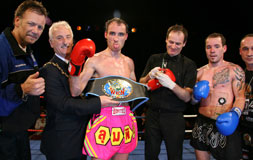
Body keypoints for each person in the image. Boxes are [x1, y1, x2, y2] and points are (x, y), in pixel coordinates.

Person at [39, 21, 118, 160]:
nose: (65, 42)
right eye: (59, 38)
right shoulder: (49, 70)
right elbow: (63, 104)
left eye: (68, 37)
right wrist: (98, 103)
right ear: (51, 43)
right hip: (61, 142)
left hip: (81, 138)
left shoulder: (80, 65)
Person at [69, 17, 138, 160]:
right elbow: (75, 91)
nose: (116, 39)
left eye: (120, 34)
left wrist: (149, 78)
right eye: (112, 33)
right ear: (106, 34)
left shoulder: (129, 63)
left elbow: (135, 91)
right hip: (104, 117)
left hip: (125, 117)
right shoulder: (94, 60)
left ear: (126, 36)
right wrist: (75, 66)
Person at [139, 24, 197, 160]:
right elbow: (140, 83)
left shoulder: (189, 64)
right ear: (166, 40)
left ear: (184, 44)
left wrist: (171, 85)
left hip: (174, 117)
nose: (173, 46)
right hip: (152, 115)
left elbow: (187, 96)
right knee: (150, 155)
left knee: (174, 156)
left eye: (178, 43)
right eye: (171, 42)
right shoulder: (154, 59)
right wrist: (148, 76)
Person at [0, 1, 47, 159]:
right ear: (17, 20)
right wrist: (22, 89)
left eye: (40, 27)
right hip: (4, 137)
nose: (35, 31)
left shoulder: (26, 48)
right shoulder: (2, 49)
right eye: (31, 24)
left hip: (19, 132)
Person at [190, 33, 245, 160]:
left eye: (216, 46)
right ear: (205, 49)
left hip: (226, 121)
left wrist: (235, 114)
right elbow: (192, 102)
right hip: (202, 122)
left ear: (224, 48)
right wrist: (196, 97)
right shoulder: (199, 73)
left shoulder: (234, 70)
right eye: (209, 47)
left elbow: (241, 97)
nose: (212, 50)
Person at [239, 34, 253, 160]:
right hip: (244, 131)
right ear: (240, 51)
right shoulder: (239, 76)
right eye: (245, 49)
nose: (249, 53)